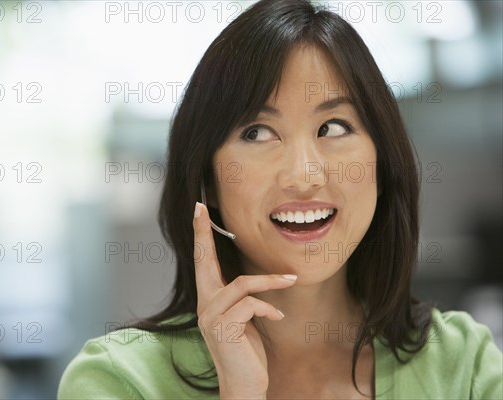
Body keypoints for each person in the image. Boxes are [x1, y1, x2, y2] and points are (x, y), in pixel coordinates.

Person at [58, 0, 503, 398]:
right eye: (257, 133)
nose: (303, 176)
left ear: (382, 166)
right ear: (208, 182)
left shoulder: (463, 366)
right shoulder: (120, 381)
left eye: (333, 127)